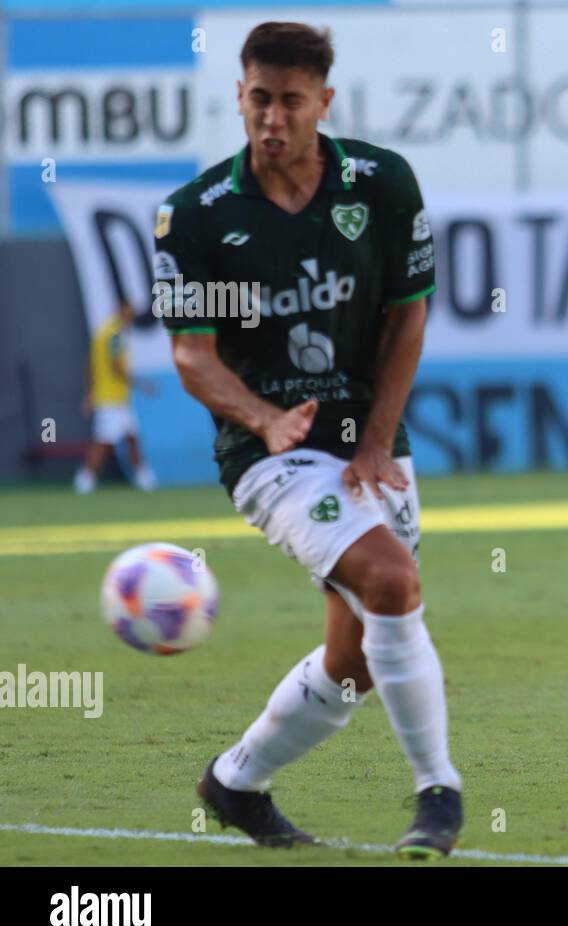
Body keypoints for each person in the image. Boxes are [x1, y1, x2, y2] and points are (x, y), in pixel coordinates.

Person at [154, 21, 459, 854]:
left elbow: (407, 319)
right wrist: (261, 418)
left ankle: (235, 783)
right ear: (240, 97)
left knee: (355, 660)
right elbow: (193, 357)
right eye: (259, 99)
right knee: (393, 582)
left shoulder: (382, 186)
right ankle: (440, 796)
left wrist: (376, 442)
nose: (273, 117)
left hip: (371, 445)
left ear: (323, 101)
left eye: (292, 101)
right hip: (271, 454)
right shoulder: (199, 220)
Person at [75, 301, 157, 494]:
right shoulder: (115, 334)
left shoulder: (103, 332)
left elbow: (90, 365)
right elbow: (116, 366)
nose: (132, 317)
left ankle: (144, 478)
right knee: (104, 442)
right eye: (129, 313)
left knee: (131, 438)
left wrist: (90, 392)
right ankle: (84, 481)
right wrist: (142, 384)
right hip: (111, 399)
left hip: (113, 398)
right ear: (122, 310)